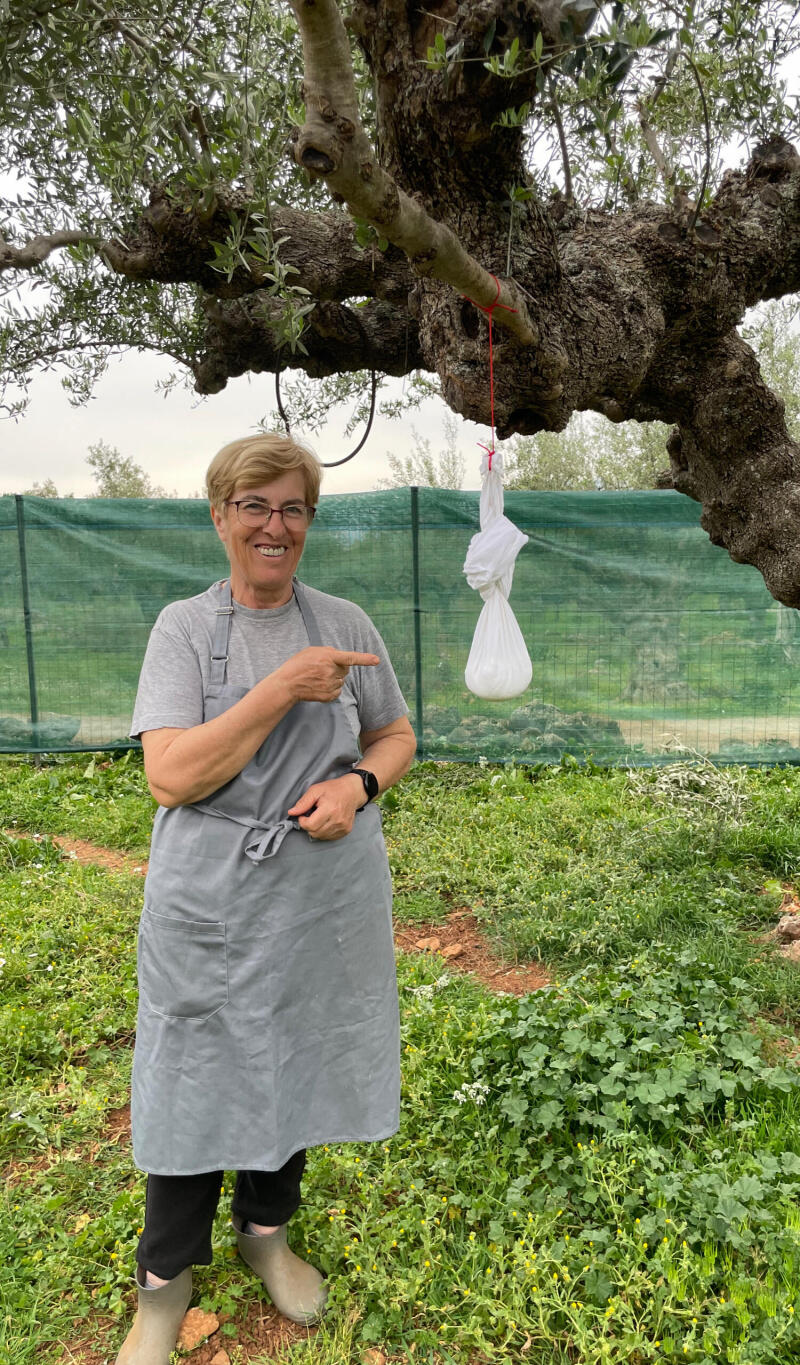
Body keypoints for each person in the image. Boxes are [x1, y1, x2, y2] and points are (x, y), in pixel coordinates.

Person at [117, 434, 417, 1364]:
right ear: (220, 515)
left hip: (319, 896)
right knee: (192, 1075)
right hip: (209, 897)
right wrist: (284, 687)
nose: (273, 526)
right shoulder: (184, 629)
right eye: (254, 506)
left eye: (291, 508)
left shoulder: (347, 622)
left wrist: (358, 787)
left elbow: (397, 733)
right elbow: (170, 775)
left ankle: (265, 1235)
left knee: (298, 1056)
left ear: (308, 521)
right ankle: (163, 1286)